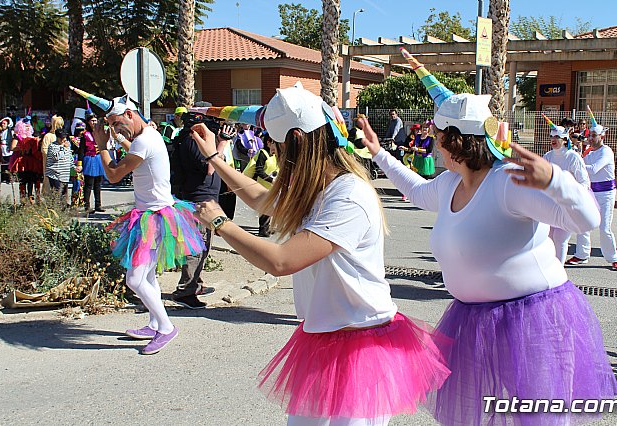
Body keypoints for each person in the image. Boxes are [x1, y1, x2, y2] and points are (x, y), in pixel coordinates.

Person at [359, 49, 617, 425]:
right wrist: (380, 153)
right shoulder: (450, 183)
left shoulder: (507, 182)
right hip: (474, 322)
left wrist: (556, 181)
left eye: (436, 134)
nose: (432, 141)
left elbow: (586, 220)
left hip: (531, 319)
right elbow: (416, 191)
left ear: (455, 140)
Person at [190, 82, 451, 426]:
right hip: (324, 337)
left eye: (275, 144)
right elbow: (262, 200)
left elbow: (281, 261)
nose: (273, 151)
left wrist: (221, 223)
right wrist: (214, 158)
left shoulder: (348, 195)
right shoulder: (317, 188)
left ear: (296, 140)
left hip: (364, 343)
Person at [78, 92, 206, 355]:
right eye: (111, 126)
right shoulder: (149, 136)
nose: (114, 129)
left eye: (116, 123)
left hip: (155, 218)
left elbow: (113, 175)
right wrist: (121, 140)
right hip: (153, 215)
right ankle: (154, 322)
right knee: (147, 275)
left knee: (135, 279)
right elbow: (138, 155)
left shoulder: (143, 142)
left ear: (129, 114)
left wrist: (102, 145)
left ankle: (167, 327)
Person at [170, 114, 236, 309]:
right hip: (199, 202)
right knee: (196, 248)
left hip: (203, 200)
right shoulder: (192, 141)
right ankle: (185, 291)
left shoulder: (190, 140)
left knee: (203, 246)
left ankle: (195, 284)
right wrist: (222, 144)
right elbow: (209, 167)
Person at [566, 107, 617, 271]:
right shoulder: (589, 152)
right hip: (590, 192)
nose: (589, 138)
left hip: (606, 193)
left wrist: (578, 162)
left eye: (593, 135)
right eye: (589, 135)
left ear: (602, 137)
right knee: (583, 221)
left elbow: (593, 169)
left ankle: (613, 258)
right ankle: (582, 254)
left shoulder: (606, 151)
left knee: (604, 227)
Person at [542, 114, 591, 262]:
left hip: (567, 204)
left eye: (557, 137)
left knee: (561, 239)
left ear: (565, 140)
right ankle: (551, 270)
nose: (554, 140)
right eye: (552, 137)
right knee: (549, 239)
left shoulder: (573, 157)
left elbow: (584, 181)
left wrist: (572, 195)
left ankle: (560, 272)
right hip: (550, 204)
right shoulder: (548, 156)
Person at [251, 132, 279, 237]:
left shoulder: (275, 154)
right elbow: (259, 170)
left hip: (272, 185)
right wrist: (271, 180)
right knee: (265, 208)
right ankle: (263, 229)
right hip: (263, 185)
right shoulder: (263, 153)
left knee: (272, 206)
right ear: (268, 142)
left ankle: (268, 227)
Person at [78, 112, 105, 213]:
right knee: (89, 184)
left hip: (98, 158)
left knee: (98, 183)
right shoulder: (85, 135)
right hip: (89, 158)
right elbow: (81, 150)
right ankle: (87, 206)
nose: (94, 122)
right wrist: (79, 163)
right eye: (92, 120)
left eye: (95, 120)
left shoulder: (99, 132)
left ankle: (98, 204)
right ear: (88, 122)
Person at [45, 129, 80, 199]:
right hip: (55, 174)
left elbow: (69, 158)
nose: (63, 139)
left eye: (64, 137)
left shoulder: (67, 145)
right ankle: (56, 208)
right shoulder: (52, 146)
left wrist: (74, 167)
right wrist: (63, 148)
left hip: (65, 175)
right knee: (57, 195)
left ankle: (63, 209)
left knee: (64, 195)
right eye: (61, 138)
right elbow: (56, 157)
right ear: (57, 137)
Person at [41, 115, 65, 196]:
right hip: (51, 165)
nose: (60, 126)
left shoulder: (63, 135)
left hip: (61, 166)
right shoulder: (48, 136)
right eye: (58, 125)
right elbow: (44, 149)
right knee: (49, 184)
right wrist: (53, 156)